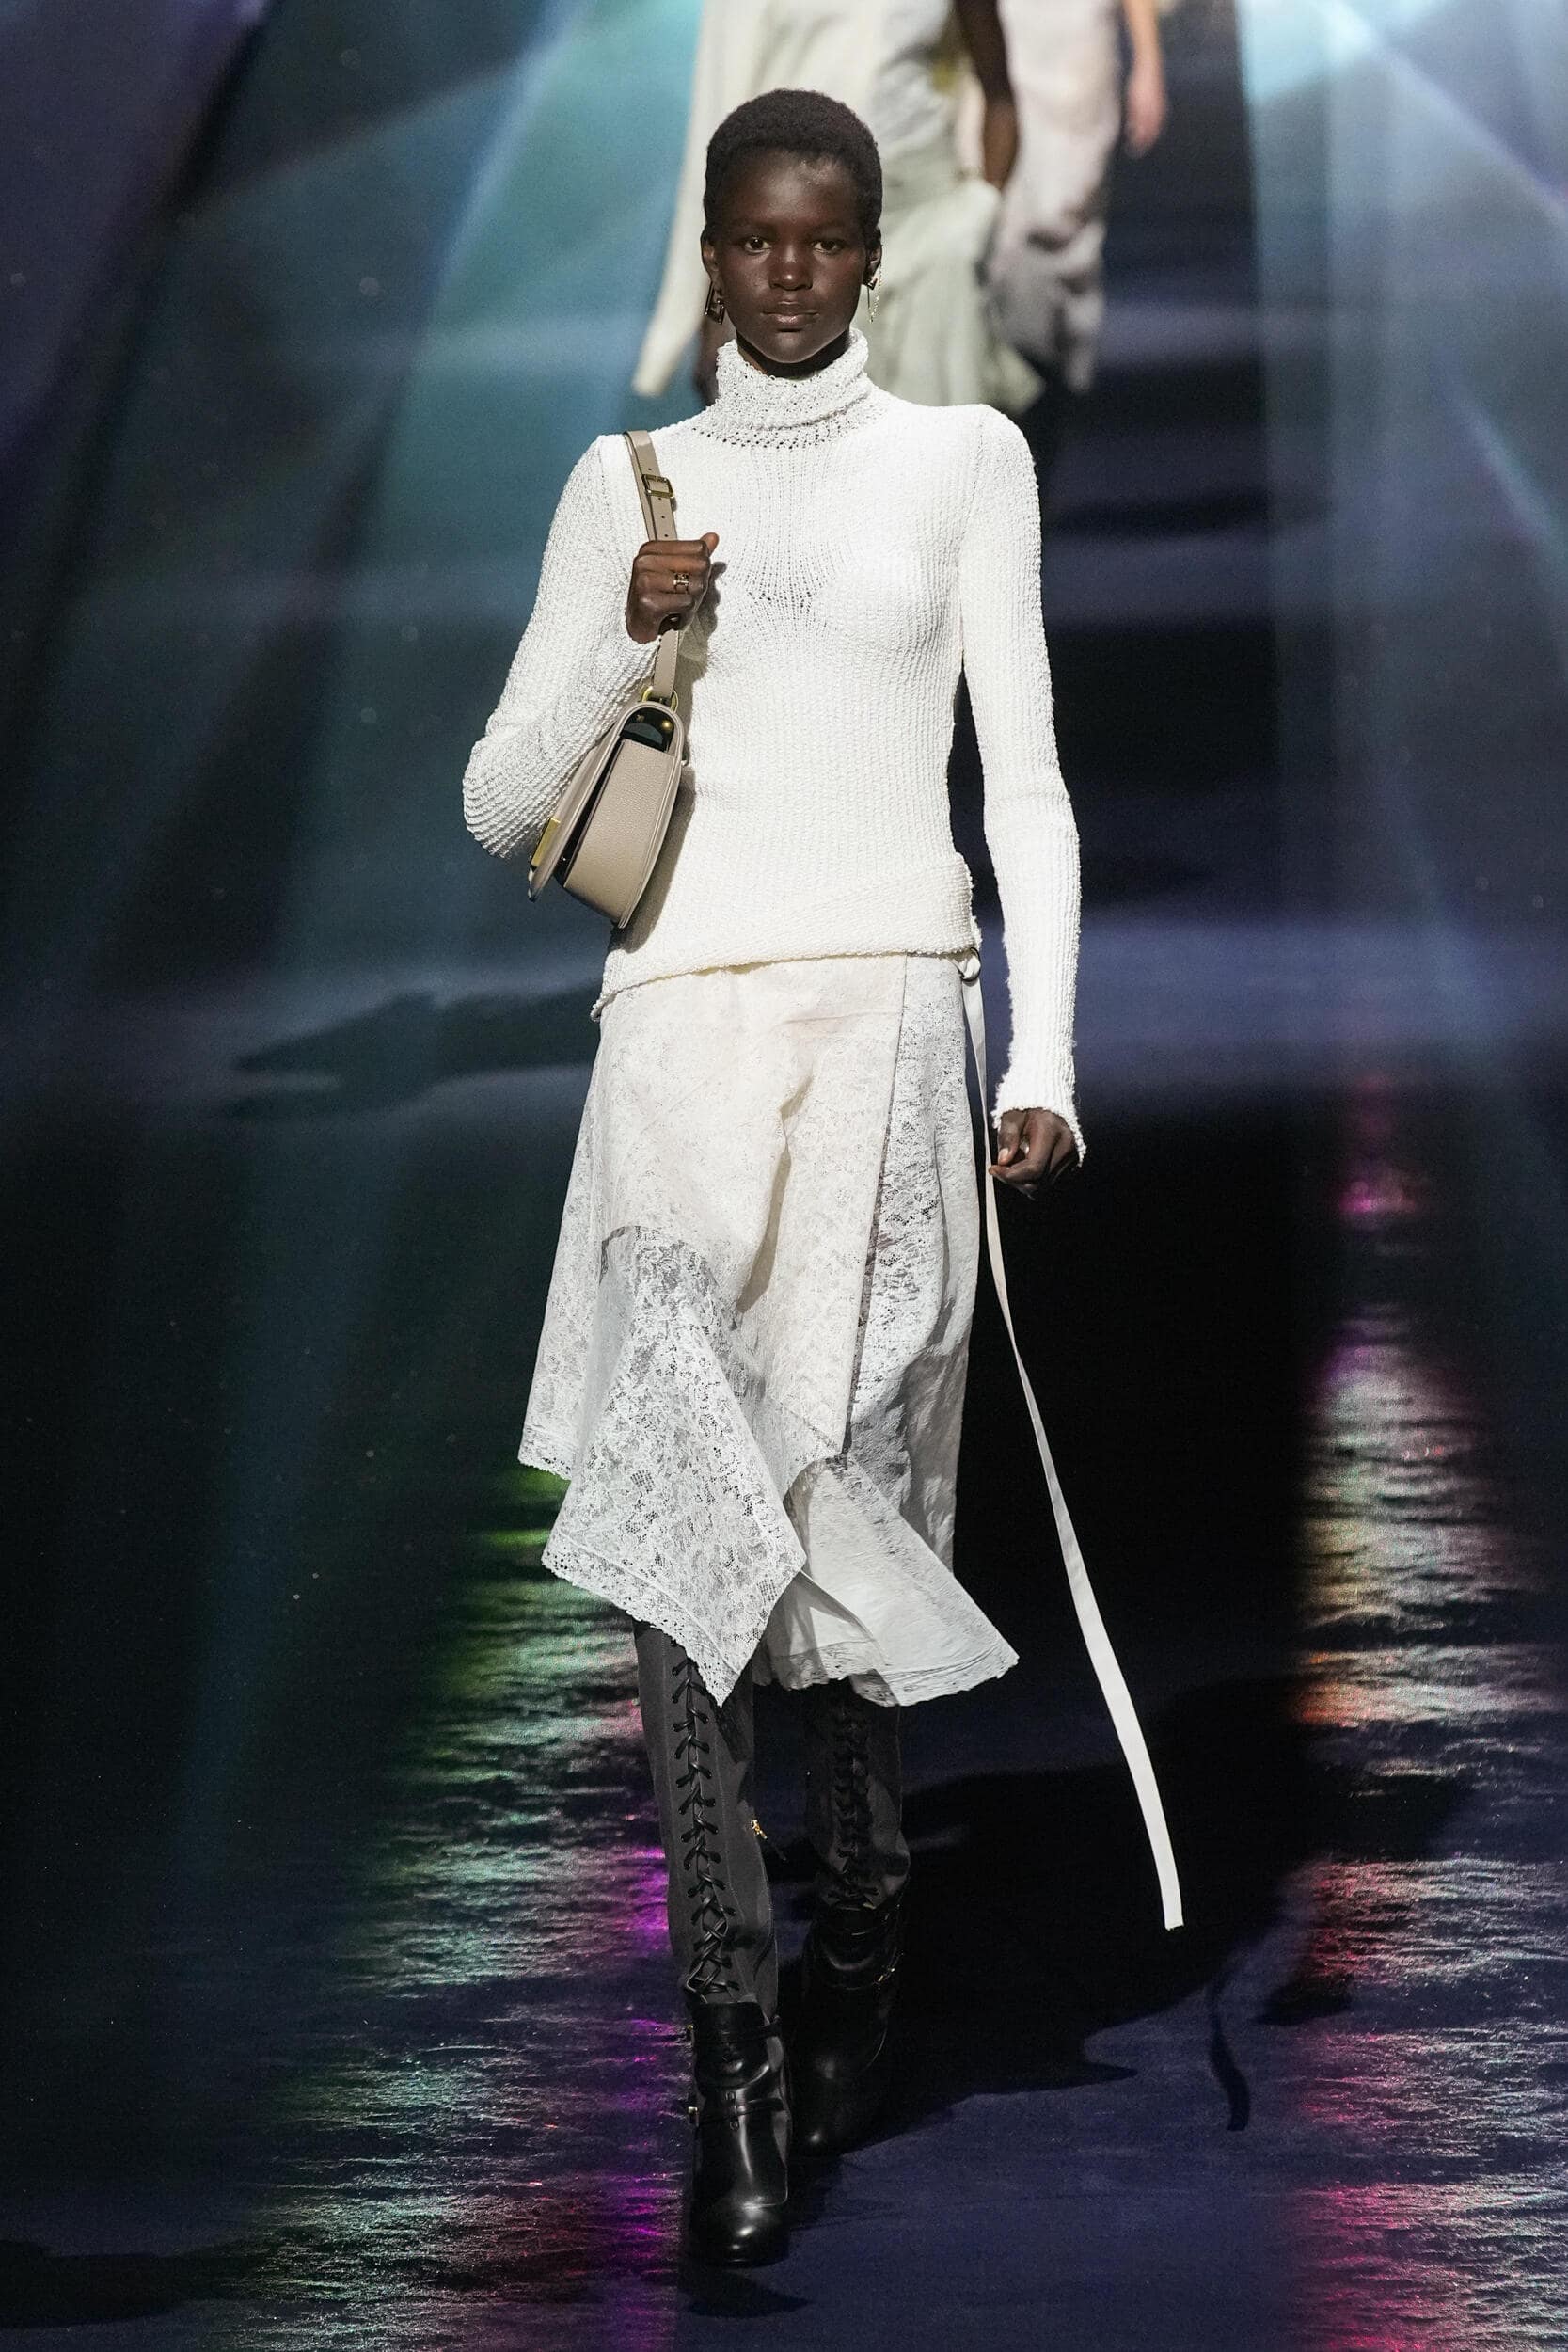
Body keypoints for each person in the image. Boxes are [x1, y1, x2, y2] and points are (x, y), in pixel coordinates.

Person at [465, 89, 1170, 2268]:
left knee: (849, 1499)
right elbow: (499, 803)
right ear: (713, 245)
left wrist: (1043, 1053)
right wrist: (625, 633)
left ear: (872, 247)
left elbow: (1023, 783)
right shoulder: (626, 484)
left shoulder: (964, 461)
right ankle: (731, 2052)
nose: (786, 272)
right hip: (679, 1038)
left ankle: (862, 1928)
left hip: (882, 1025)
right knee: (686, 1532)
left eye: (824, 236)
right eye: (753, 238)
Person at [634, 0, 1038, 413]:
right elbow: (721, 116)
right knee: (800, 438)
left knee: (936, 440)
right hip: (800, 244)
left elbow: (999, 94)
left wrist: (980, 212)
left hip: (930, 233)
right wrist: (716, 308)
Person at [986, 0, 1170, 457]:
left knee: (1058, 224)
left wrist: (1148, 62)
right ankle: (1007, 406)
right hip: (1003, 34)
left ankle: (1042, 399)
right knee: (996, 228)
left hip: (1075, 48)